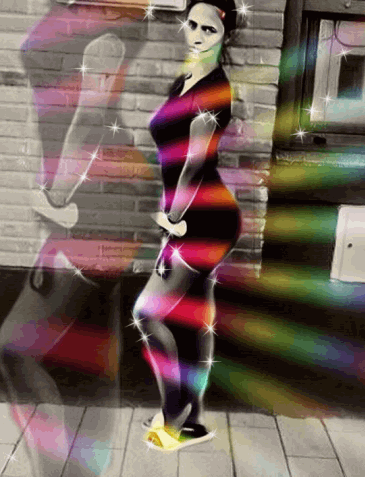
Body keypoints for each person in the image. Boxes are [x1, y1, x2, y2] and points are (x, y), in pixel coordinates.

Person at [0, 2, 149, 477]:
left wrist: (56, 200)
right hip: (107, 208)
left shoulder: (102, 32)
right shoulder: (102, 27)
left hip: (88, 210)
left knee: (15, 350)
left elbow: (89, 114)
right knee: (98, 360)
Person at [134, 0, 241, 452]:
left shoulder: (215, 89)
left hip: (204, 220)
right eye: (192, 24)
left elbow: (194, 166)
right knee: (191, 320)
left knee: (147, 312)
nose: (196, 34)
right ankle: (191, 419)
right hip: (190, 216)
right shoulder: (187, 80)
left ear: (227, 34)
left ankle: (175, 414)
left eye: (208, 29)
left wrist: (171, 225)